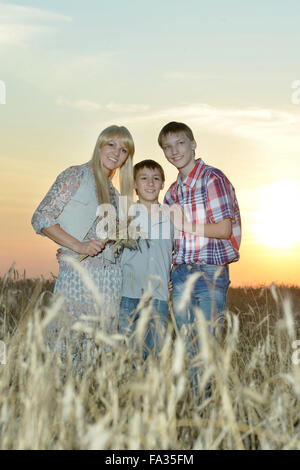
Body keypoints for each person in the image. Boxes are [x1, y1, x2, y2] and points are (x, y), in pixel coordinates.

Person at [31, 125, 135, 361]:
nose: (116, 153)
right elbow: (41, 217)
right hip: (79, 277)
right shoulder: (75, 175)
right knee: (69, 348)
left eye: (123, 150)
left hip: (111, 282)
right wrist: (76, 246)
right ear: (99, 145)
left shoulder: (116, 193)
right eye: (111, 144)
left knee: (100, 355)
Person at [158, 121, 241, 386]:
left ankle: (213, 412)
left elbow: (224, 229)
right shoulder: (171, 193)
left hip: (209, 271)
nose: (174, 151)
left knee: (208, 347)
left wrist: (186, 225)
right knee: (189, 347)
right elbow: (169, 239)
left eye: (180, 143)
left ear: (193, 144)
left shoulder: (211, 178)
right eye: (167, 147)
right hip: (181, 273)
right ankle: (198, 413)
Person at [118, 159, 173, 360]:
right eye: (144, 178)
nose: (150, 183)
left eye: (155, 179)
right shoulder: (124, 215)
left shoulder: (172, 216)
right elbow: (109, 249)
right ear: (134, 184)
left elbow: (180, 251)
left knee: (155, 356)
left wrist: (173, 276)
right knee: (128, 355)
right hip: (128, 295)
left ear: (162, 184)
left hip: (158, 297)